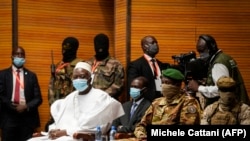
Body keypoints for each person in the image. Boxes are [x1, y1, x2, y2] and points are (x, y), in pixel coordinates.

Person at [28, 62, 124, 141]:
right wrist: (54, 130)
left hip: (81, 137)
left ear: (90, 79)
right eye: (75, 77)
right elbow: (61, 121)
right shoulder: (71, 97)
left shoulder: (100, 97)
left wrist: (66, 132)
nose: (78, 80)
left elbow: (97, 127)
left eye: (82, 76)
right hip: (63, 135)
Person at [134, 68, 202, 140]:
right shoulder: (157, 102)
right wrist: (141, 135)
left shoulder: (188, 102)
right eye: (162, 83)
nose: (163, 86)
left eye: (167, 83)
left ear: (177, 85)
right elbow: (141, 125)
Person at [188, 34, 250, 109]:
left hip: (232, 109)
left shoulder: (218, 64)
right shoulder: (225, 57)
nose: (201, 55)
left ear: (212, 47)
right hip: (239, 104)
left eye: (202, 50)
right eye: (199, 51)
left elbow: (220, 89)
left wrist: (198, 88)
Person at [0, 46, 43, 141]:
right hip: (8, 117)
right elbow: (1, 95)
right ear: (12, 56)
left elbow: (38, 98)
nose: (19, 56)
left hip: (27, 118)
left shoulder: (32, 76)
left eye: (22, 54)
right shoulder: (2, 74)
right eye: (17, 54)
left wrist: (26, 106)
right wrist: (13, 107)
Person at [46, 36, 84, 131]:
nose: (64, 51)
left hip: (74, 110)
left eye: (68, 48)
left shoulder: (80, 65)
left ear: (75, 49)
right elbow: (51, 87)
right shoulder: (59, 65)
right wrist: (53, 106)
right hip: (57, 109)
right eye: (63, 48)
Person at [127, 35, 170, 102]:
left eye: (156, 43)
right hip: (145, 103)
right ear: (144, 46)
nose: (156, 45)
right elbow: (134, 86)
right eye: (152, 43)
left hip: (161, 102)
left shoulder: (161, 65)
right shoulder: (135, 65)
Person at [86, 33, 125, 100]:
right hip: (88, 100)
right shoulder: (87, 63)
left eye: (103, 44)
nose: (100, 47)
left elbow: (118, 86)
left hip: (107, 101)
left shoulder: (116, 64)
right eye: (97, 44)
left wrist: (101, 96)